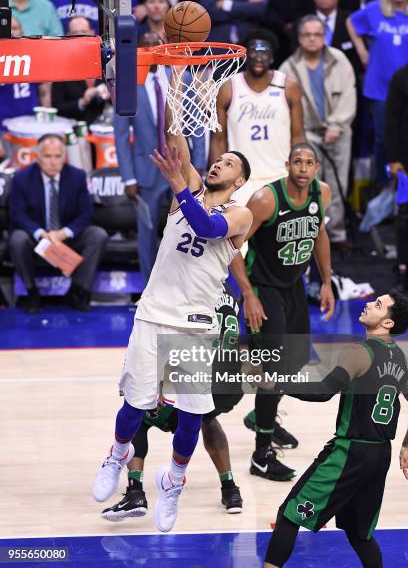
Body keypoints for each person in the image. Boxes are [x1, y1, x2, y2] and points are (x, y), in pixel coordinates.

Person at [92, 83, 253, 533]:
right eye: (219, 159)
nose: (219, 163)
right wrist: (174, 83)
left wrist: (181, 185)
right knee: (135, 404)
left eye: (229, 165)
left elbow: (204, 225)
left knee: (190, 414)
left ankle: (175, 479)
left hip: (195, 321)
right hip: (153, 310)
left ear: (239, 181)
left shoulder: (241, 215)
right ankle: (117, 455)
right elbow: (173, 136)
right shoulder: (192, 187)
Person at [264, 290, 408, 568]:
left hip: (349, 453)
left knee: (289, 514)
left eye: (378, 305)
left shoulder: (359, 353)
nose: (368, 303)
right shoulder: (400, 359)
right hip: (380, 457)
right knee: (359, 533)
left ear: (388, 323)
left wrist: (278, 384)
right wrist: (406, 444)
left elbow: (323, 391)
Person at [230, 142, 335, 480]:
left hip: (293, 287)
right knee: (273, 371)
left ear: (316, 168)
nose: (303, 168)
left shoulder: (323, 194)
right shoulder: (266, 200)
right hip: (264, 289)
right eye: (297, 162)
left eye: (309, 163)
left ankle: (262, 418)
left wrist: (326, 282)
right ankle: (261, 455)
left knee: (295, 361)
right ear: (287, 165)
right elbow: (233, 246)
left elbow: (319, 235)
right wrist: (248, 294)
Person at [101, 283, 244, 520]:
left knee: (139, 414)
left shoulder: (186, 293)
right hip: (228, 384)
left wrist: (156, 386)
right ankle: (231, 490)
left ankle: (135, 492)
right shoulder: (230, 293)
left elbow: (169, 344)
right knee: (207, 419)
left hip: (194, 378)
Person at [114, 31, 205, 289]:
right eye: (148, 44)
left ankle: (186, 286)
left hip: (183, 167)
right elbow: (121, 135)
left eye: (158, 44)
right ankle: (148, 290)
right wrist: (128, 177)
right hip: (147, 171)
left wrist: (198, 163)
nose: (154, 48)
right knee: (147, 233)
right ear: (140, 50)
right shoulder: (128, 83)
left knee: (188, 228)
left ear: (165, 48)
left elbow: (197, 125)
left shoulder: (182, 78)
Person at [8, 134, 108, 313]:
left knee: (97, 235)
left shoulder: (76, 176)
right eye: (47, 156)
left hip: (66, 237)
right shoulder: (22, 178)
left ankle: (77, 291)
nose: (53, 162)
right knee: (17, 238)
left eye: (57, 156)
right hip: (38, 239)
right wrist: (41, 233)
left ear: (64, 157)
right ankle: (32, 294)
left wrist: (64, 233)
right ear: (38, 157)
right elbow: (17, 214)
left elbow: (86, 214)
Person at [280, 15, 356, 248]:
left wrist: (336, 125)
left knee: (337, 183)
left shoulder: (339, 59)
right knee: (311, 186)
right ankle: (313, 234)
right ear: (300, 37)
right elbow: (286, 108)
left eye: (317, 35)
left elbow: (349, 94)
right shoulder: (288, 67)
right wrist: (299, 137)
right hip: (307, 135)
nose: (312, 39)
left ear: (324, 37)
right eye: (307, 35)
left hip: (339, 131)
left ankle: (337, 233)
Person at [210, 28, 305, 207]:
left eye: (265, 53)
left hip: (280, 175)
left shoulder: (289, 86)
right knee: (241, 235)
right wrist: (220, 179)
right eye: (254, 52)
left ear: (272, 58)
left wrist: (300, 172)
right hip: (240, 178)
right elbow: (218, 139)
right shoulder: (228, 87)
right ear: (246, 55)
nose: (259, 58)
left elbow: (298, 136)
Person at [347, 0, 408, 185]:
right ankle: (384, 187)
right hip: (380, 87)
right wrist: (362, 51)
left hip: (406, 88)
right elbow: (351, 23)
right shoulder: (374, 10)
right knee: (384, 139)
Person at [51, 16, 110, 126]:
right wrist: (83, 101)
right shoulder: (61, 67)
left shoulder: (107, 60)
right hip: (76, 130)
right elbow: (57, 108)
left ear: (93, 33)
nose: (80, 37)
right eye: (75, 33)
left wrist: (111, 94)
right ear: (68, 36)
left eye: (84, 32)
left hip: (108, 129)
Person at [384, 63, 408, 289]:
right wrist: (394, 159)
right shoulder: (401, 76)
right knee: (405, 218)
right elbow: (391, 121)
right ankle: (403, 269)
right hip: (406, 161)